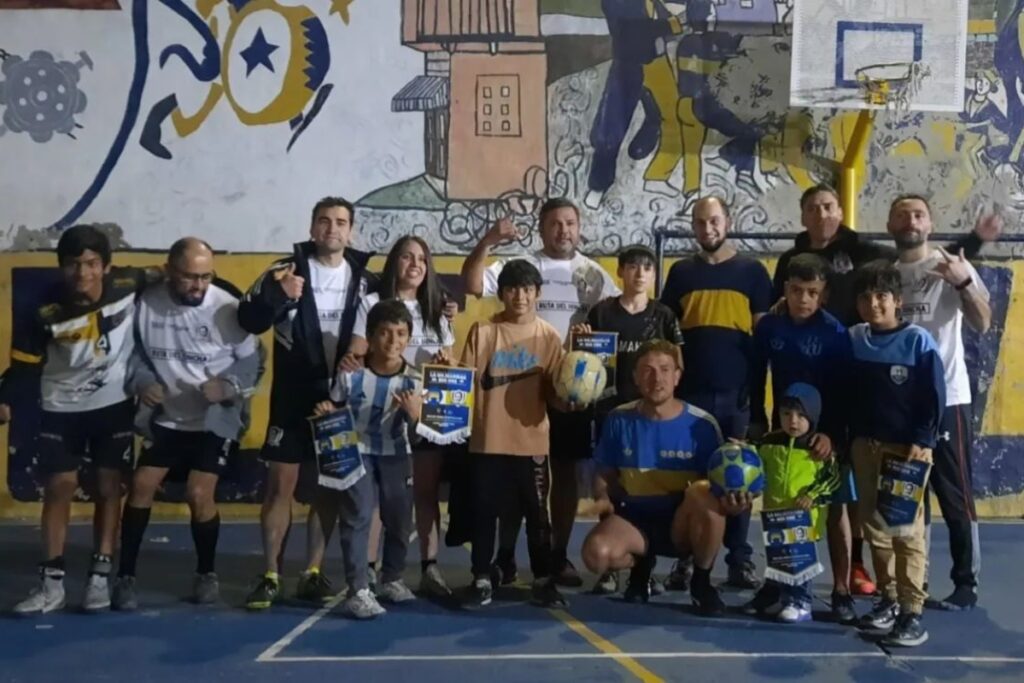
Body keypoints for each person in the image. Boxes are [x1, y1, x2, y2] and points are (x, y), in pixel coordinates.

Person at [1, 225, 160, 615]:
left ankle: (99, 579)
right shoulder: (41, 311)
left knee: (109, 487)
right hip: (60, 407)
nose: (83, 274)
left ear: (106, 267)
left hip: (114, 405)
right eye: (73, 265)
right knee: (59, 487)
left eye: (91, 264)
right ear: (61, 268)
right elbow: (21, 367)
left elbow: (170, 271)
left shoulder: (129, 281)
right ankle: (51, 583)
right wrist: (4, 399)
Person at [462, 198, 619, 587]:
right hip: (517, 394)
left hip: (567, 389)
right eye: (554, 224)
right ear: (541, 228)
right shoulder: (523, 268)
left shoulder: (594, 274)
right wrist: (488, 240)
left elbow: (614, 321)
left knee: (562, 478)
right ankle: (504, 558)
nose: (563, 230)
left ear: (579, 227)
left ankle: (557, 555)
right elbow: (471, 282)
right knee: (516, 482)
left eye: (569, 223)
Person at [238, 197, 376, 610]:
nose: (332, 229)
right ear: (312, 227)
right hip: (292, 395)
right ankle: (270, 574)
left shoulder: (365, 278)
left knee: (327, 488)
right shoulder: (287, 269)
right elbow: (249, 320)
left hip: (339, 397)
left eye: (340, 222)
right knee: (280, 485)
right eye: (324, 221)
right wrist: (278, 296)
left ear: (350, 230)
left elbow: (385, 321)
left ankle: (312, 572)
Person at [112, 238, 261, 609]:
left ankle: (206, 573)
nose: (199, 285)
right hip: (168, 419)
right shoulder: (146, 304)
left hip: (213, 422)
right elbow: (135, 356)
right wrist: (143, 382)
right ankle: (125, 577)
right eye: (190, 277)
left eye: (206, 276)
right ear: (169, 271)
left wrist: (228, 386)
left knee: (199, 493)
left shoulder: (228, 309)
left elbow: (253, 362)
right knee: (141, 485)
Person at [580, 339, 753, 617]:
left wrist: (734, 504)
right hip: (634, 519)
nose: (656, 378)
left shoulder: (702, 425)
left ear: (677, 376)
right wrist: (601, 498)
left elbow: (718, 490)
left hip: (680, 523)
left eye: (664, 369)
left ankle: (701, 582)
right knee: (596, 556)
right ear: (635, 377)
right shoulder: (618, 419)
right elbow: (605, 474)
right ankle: (641, 570)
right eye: (647, 370)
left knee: (703, 493)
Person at [658, 196, 772, 590]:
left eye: (714, 221)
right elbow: (667, 338)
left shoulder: (754, 273)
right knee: (688, 481)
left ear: (728, 221)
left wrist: (757, 406)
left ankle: (739, 559)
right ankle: (685, 559)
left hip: (736, 398)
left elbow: (763, 344)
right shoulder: (680, 274)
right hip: (690, 398)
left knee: (739, 480)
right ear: (692, 226)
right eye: (700, 223)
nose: (707, 229)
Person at [888, 195, 994, 611]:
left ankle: (965, 582)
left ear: (929, 224)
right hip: (899, 404)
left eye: (917, 214)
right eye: (902, 214)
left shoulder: (953, 265)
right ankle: (915, 580)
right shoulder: (888, 275)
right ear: (891, 224)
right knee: (907, 498)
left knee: (954, 494)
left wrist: (963, 282)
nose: (910, 220)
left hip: (947, 398)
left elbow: (983, 322)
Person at [340, 236, 456, 598]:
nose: (415, 264)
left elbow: (450, 364)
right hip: (378, 418)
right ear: (395, 263)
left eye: (422, 258)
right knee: (376, 502)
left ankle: (428, 566)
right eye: (407, 257)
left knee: (419, 495)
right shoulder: (373, 303)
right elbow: (357, 354)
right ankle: (370, 571)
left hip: (425, 412)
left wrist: (442, 368)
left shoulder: (438, 309)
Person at [749, 253, 858, 623]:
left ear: (823, 294)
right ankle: (777, 583)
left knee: (834, 509)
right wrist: (757, 420)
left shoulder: (835, 332)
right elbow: (755, 376)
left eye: (812, 292)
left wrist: (833, 435)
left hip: (826, 434)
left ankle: (841, 590)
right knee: (782, 507)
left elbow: (845, 391)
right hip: (787, 430)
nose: (804, 299)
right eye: (797, 291)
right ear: (786, 290)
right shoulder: (769, 328)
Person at [570, 244, 684, 594]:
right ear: (620, 272)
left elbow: (677, 363)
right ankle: (611, 571)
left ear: (653, 275)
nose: (639, 273)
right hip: (610, 415)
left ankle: (649, 562)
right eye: (632, 267)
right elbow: (580, 359)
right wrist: (580, 343)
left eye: (646, 268)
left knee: (648, 486)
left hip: (650, 418)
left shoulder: (663, 316)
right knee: (609, 485)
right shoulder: (601, 312)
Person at [458, 259, 568, 609]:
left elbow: (557, 393)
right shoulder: (483, 332)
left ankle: (543, 579)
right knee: (484, 512)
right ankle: (480, 577)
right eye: (512, 289)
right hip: (488, 440)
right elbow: (462, 383)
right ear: (502, 294)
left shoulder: (549, 337)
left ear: (537, 294)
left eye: (527, 289)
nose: (519, 296)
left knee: (538, 514)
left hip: (532, 441)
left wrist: (575, 395)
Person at [848, 261, 945, 648]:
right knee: (876, 529)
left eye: (882, 297)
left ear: (897, 301)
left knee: (906, 532)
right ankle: (887, 599)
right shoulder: (855, 339)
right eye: (867, 297)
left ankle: (911, 611)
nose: (874, 304)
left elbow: (933, 397)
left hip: (905, 452)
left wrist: (923, 440)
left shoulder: (918, 341)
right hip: (865, 448)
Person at [312, 299, 423, 619]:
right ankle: (358, 588)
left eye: (401, 334)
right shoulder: (350, 376)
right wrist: (326, 413)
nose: (393, 341)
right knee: (358, 514)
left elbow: (420, 438)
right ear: (371, 337)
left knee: (400, 518)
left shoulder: (415, 382)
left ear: (409, 338)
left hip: (396, 455)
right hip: (356, 451)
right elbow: (333, 408)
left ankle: (392, 577)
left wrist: (415, 416)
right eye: (385, 333)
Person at [744, 383, 840, 624]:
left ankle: (801, 601)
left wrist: (813, 495)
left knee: (800, 561)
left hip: (805, 518)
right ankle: (777, 596)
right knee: (778, 557)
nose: (793, 421)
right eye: (786, 414)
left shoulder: (817, 449)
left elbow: (832, 478)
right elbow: (755, 462)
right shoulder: (770, 442)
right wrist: (741, 451)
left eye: (800, 415)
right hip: (776, 514)